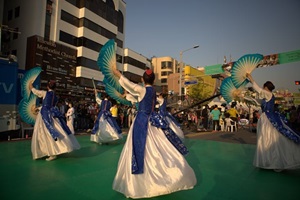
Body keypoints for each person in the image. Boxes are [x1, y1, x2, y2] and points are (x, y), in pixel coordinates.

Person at [112, 68, 196, 199]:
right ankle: (167, 173)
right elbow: (136, 94)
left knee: (139, 148)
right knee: (159, 147)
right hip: (153, 121)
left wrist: (118, 74)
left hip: (141, 122)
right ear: (154, 80)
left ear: (142, 79)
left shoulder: (142, 89)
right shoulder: (153, 92)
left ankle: (141, 182)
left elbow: (129, 84)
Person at [246, 73, 300, 172]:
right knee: (270, 139)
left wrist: (251, 79)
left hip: (267, 120)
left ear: (266, 87)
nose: (262, 87)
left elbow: (258, 89)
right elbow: (258, 99)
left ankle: (272, 162)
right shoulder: (269, 96)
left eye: (263, 86)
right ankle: (271, 161)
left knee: (267, 139)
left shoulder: (268, 94)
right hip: (269, 118)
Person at [29, 80, 80, 161]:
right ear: (55, 88)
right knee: (56, 130)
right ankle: (56, 150)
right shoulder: (56, 97)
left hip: (45, 115)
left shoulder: (45, 93)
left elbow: (36, 92)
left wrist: (31, 86)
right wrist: (38, 108)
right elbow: (48, 106)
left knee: (45, 132)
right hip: (53, 115)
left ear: (47, 87)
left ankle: (51, 152)